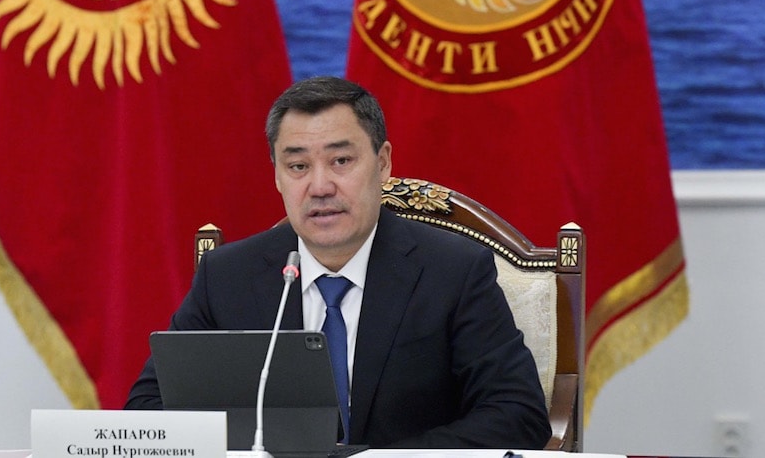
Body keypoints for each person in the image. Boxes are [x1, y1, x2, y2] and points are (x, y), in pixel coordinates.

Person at [125, 76, 551, 449]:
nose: (320, 186)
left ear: (382, 163)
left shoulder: (453, 271)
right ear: (276, 175)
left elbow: (517, 414)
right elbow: (149, 408)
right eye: (297, 166)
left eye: (341, 161)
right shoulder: (228, 275)